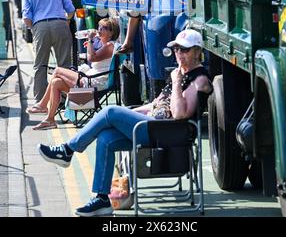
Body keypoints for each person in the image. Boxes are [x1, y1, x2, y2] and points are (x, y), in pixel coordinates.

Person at [37, 29, 212, 217]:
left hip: (167, 132)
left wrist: (176, 82)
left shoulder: (199, 79)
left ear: (196, 52)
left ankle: (68, 150)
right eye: (176, 49)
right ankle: (102, 199)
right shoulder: (179, 72)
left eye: (184, 50)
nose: (179, 53)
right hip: (152, 125)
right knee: (106, 137)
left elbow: (179, 114)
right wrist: (128, 114)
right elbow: (154, 105)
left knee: (110, 111)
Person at [27, 17, 120, 130]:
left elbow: (92, 58)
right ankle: (50, 119)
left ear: (111, 32)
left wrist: (90, 41)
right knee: (56, 82)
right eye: (99, 26)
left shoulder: (110, 46)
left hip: (94, 83)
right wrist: (90, 45)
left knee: (57, 71)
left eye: (104, 28)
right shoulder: (105, 45)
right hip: (90, 79)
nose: (99, 30)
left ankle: (42, 105)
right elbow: (94, 57)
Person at [21, 0, 75, 103]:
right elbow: (71, 9)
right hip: (60, 23)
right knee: (64, 66)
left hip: (40, 26)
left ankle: (40, 101)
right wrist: (66, 22)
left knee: (40, 66)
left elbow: (27, 18)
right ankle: (64, 99)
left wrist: (35, 29)